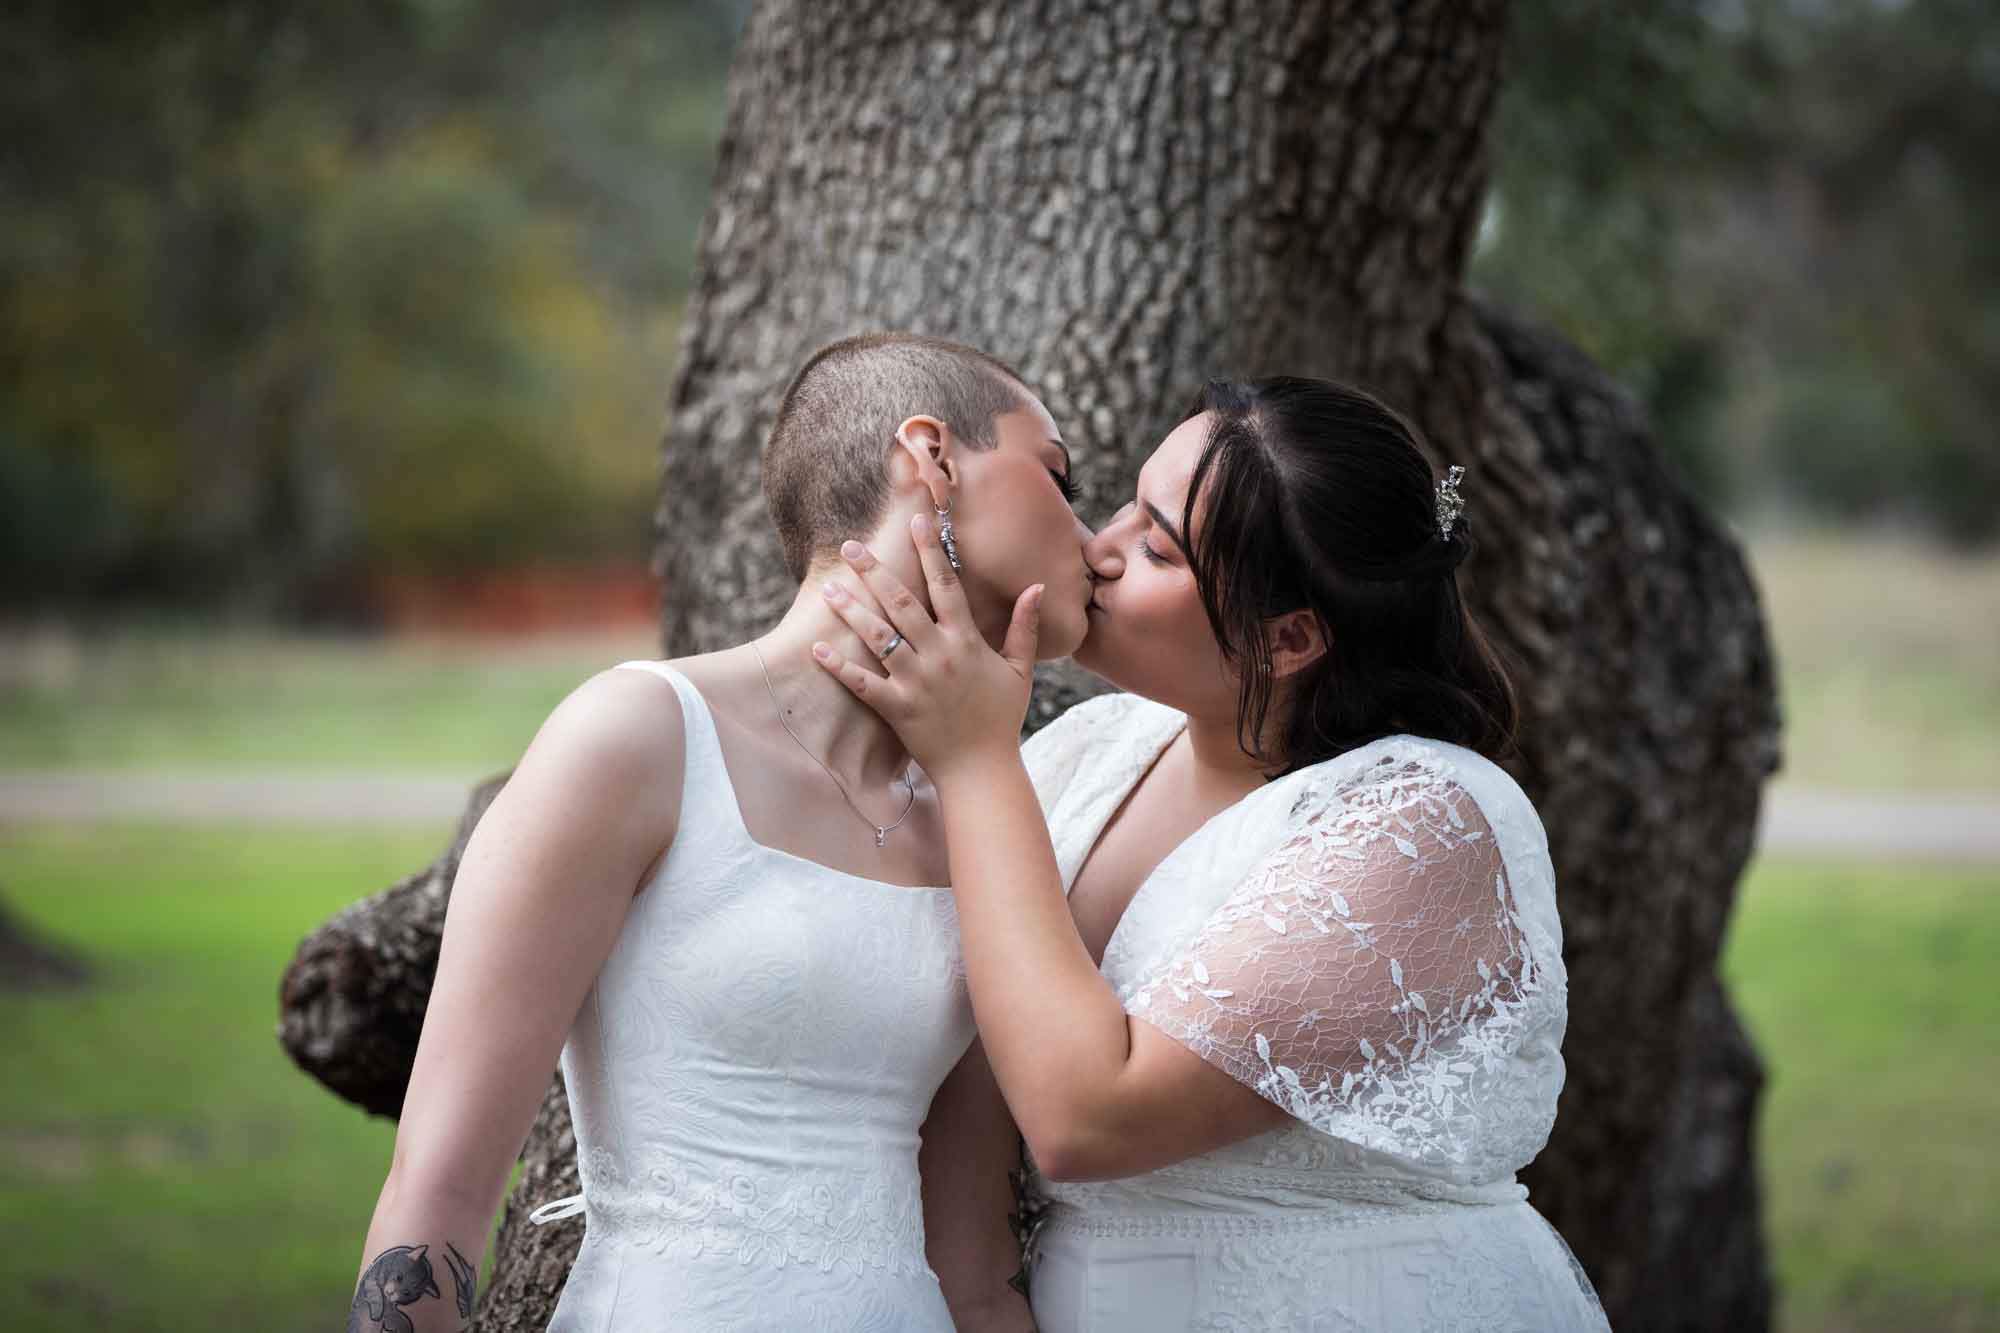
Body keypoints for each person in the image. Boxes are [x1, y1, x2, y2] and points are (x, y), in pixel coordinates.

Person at [812, 376, 1613, 1330]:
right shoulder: (1087, 754)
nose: (1094, 550)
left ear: (1290, 640)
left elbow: (1086, 1118)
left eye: (1155, 546)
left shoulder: (1424, 823)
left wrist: (976, 760)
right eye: (1123, 505)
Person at [343, 333, 1090, 1333]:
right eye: (1060, 477)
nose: (1092, 535)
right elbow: (439, 1192)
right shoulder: (637, 738)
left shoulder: (979, 822)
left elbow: (970, 1261)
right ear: (931, 457)